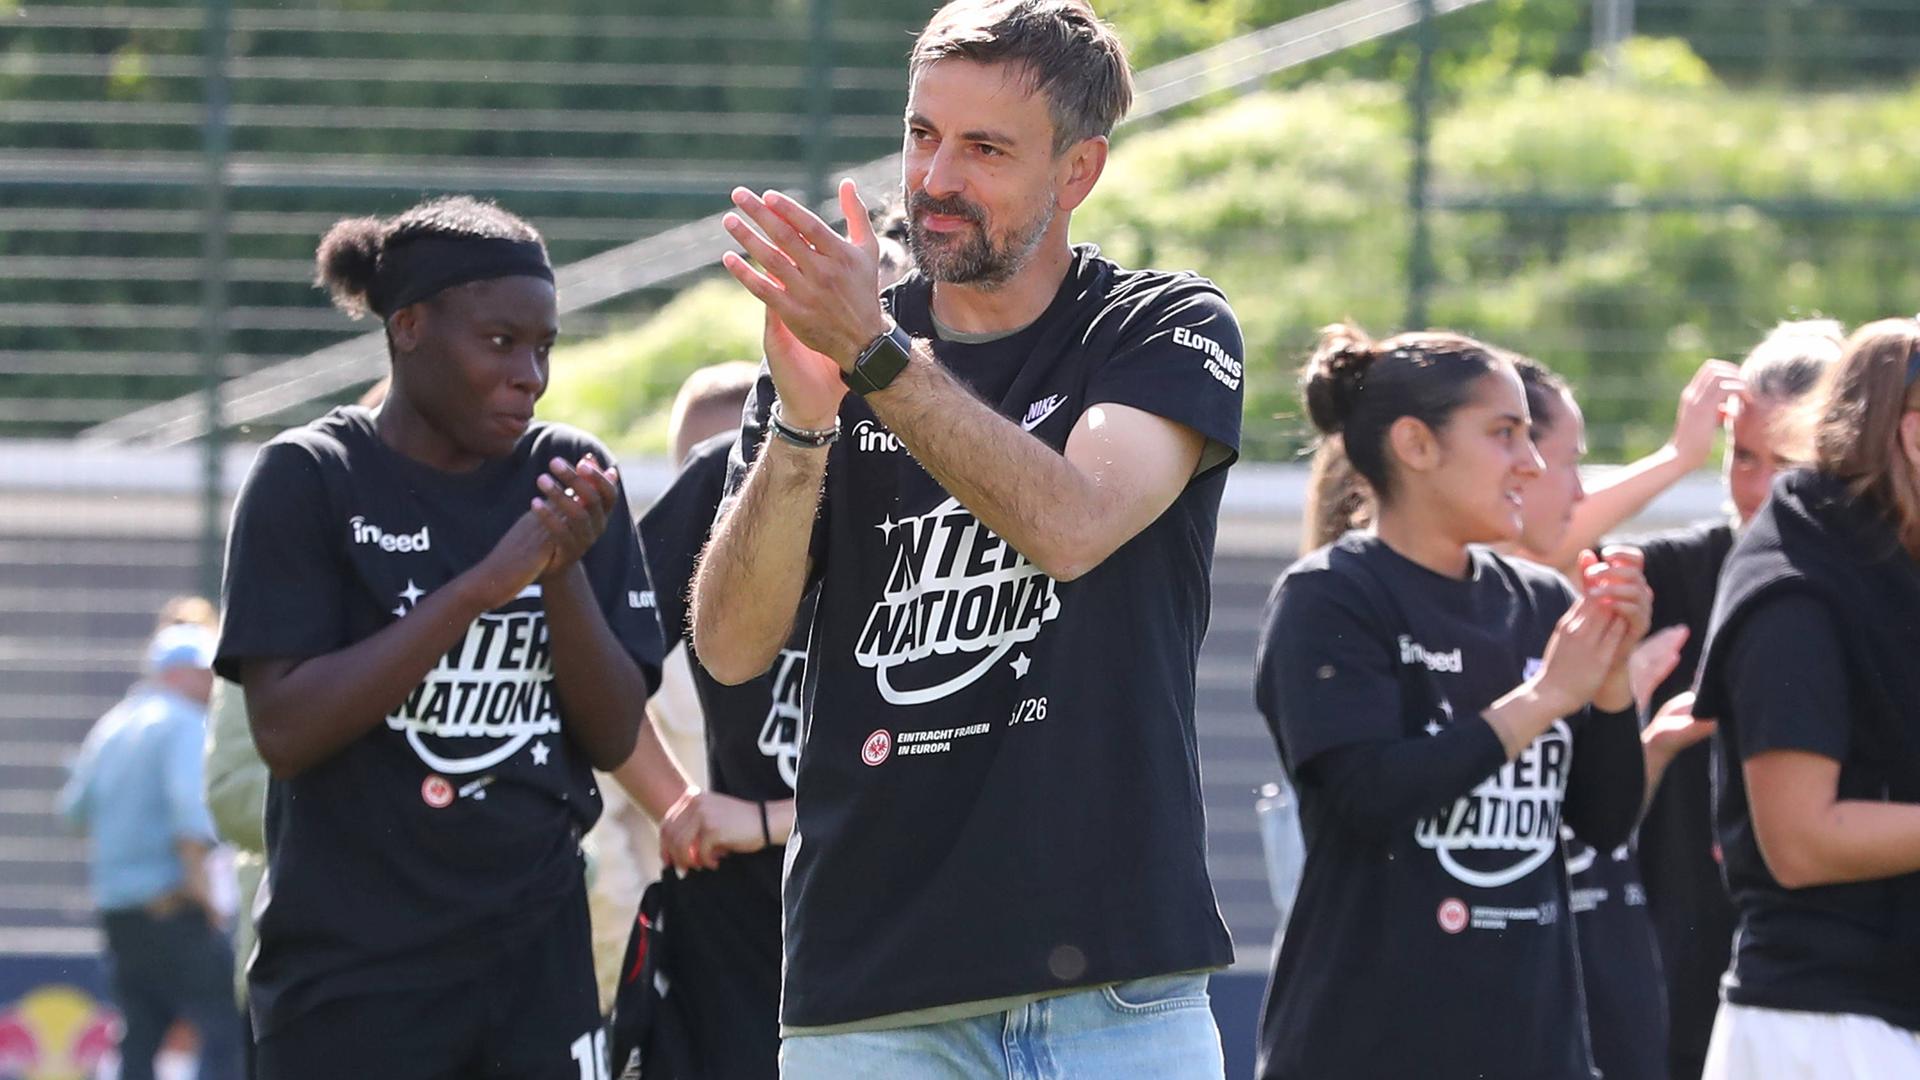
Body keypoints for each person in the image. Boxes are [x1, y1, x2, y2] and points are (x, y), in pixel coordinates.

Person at [692, 1, 1244, 1073]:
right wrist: (805, 418)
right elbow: (730, 647)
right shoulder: (837, 352)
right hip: (870, 1003)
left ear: (1078, 171)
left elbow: (1074, 524)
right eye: (921, 135)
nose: (936, 177)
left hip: (1118, 998)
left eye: (985, 148)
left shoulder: (1157, 327)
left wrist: (873, 357)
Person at [215, 195, 668, 1079]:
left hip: (534, 963)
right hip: (354, 980)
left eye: (544, 349)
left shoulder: (567, 476)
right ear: (409, 327)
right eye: (501, 343)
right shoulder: (311, 478)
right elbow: (286, 730)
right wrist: (483, 587)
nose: (530, 375)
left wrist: (562, 569)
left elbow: (614, 735)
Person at [1255, 323, 1652, 1079]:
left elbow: (1603, 822)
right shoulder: (1331, 599)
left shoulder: (1539, 601)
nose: (1531, 465)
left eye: (1532, 438)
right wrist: (1544, 698)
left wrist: (1609, 681)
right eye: (1505, 435)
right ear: (1416, 444)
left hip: (1536, 1053)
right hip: (1368, 1050)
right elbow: (1370, 797)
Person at [1691, 317, 1920, 1077]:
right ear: (1912, 435)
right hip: (1828, 1031)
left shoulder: (1881, 564)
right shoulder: (1796, 586)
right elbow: (1800, 841)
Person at [1629, 319, 1844, 1079]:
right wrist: (1672, 458)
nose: (1754, 488)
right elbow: (1523, 546)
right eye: (1739, 457)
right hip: (1675, 985)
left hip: (1838, 992)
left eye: (1784, 463)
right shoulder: (1673, 573)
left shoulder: (1879, 591)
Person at [58, 618, 245, 1080]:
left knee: (139, 1038)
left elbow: (74, 813)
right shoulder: (183, 724)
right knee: (225, 1028)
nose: (212, 683)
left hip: (119, 914)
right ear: (177, 673)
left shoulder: (112, 726)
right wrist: (209, 902)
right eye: (204, 672)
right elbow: (190, 820)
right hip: (172, 908)